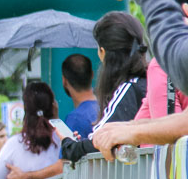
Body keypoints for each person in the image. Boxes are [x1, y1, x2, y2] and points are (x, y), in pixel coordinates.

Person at [57, 13, 147, 164]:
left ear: (103, 52)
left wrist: (70, 145)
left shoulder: (128, 89)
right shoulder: (150, 81)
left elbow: (103, 138)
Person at [60, 54, 98, 139]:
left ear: (64, 81)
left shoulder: (75, 119)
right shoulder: (108, 107)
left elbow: (68, 151)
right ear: (92, 74)